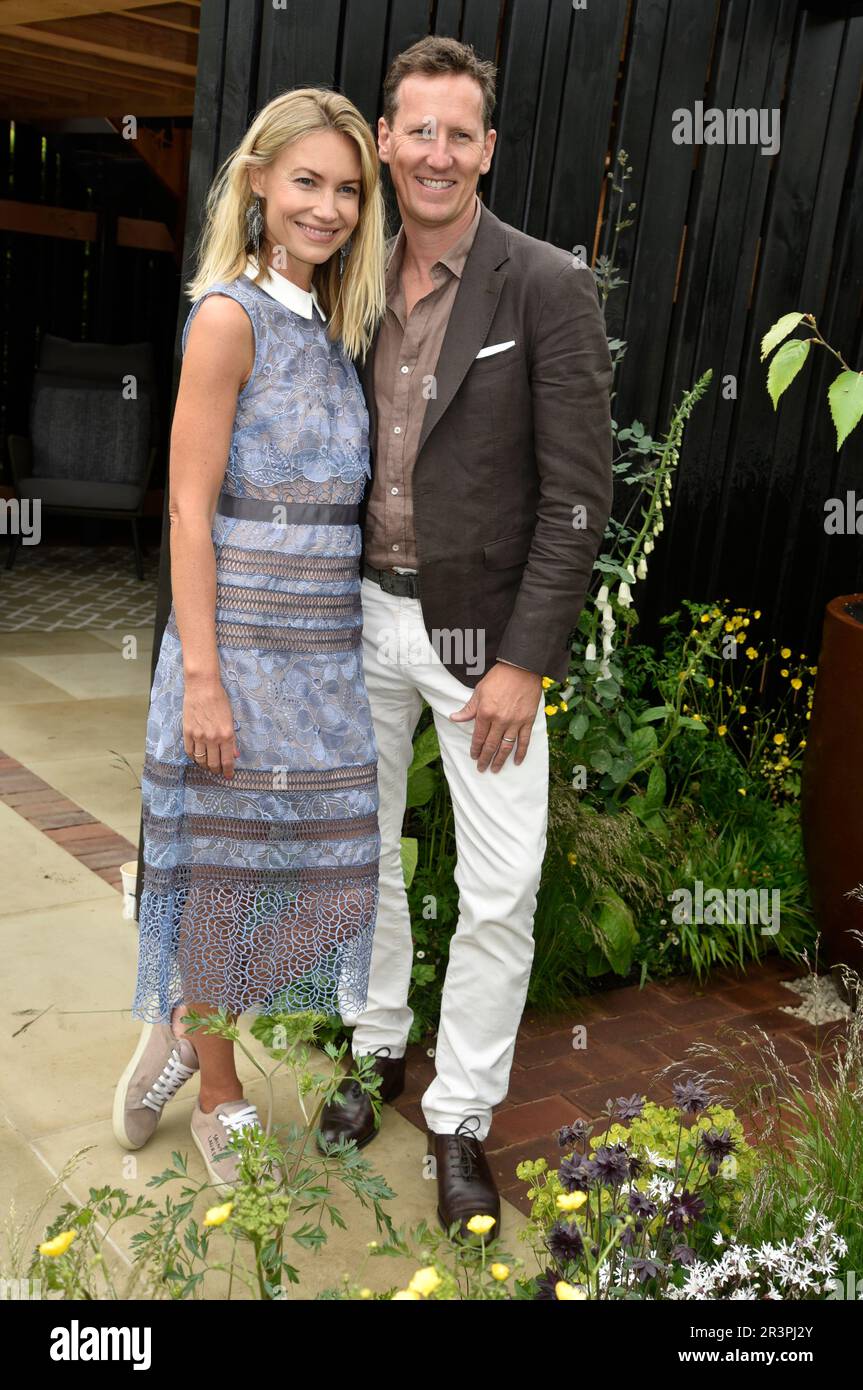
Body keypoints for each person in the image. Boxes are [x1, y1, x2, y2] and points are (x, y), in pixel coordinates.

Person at [317, 37, 614, 1239]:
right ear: (384, 141)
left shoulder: (543, 284)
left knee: (498, 887)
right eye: (415, 130)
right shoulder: (343, 275)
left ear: (487, 149)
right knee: (363, 853)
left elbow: (578, 496)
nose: (434, 154)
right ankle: (375, 1046)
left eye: (459, 133)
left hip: (479, 639)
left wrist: (523, 661)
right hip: (355, 617)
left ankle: (461, 1116)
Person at [113, 87, 387, 1192]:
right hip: (232, 654)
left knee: (327, 884)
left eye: (346, 190)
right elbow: (187, 508)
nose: (326, 207)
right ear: (260, 183)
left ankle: (184, 1020)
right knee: (224, 880)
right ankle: (219, 1088)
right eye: (307, 181)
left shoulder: (335, 329)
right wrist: (205, 681)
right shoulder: (227, 315)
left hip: (321, 661)